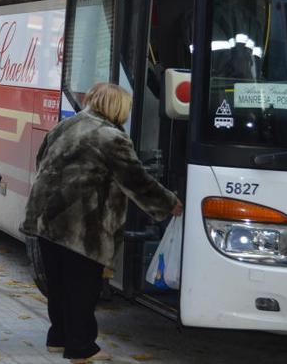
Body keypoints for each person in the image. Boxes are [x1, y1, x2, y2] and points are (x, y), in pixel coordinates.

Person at [21, 83, 183, 363]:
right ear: (118, 108)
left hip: (45, 215)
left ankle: (58, 337)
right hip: (82, 224)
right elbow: (136, 180)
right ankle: (81, 349)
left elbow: (41, 160)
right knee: (82, 287)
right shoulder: (111, 137)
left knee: (59, 284)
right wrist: (170, 204)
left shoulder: (66, 125)